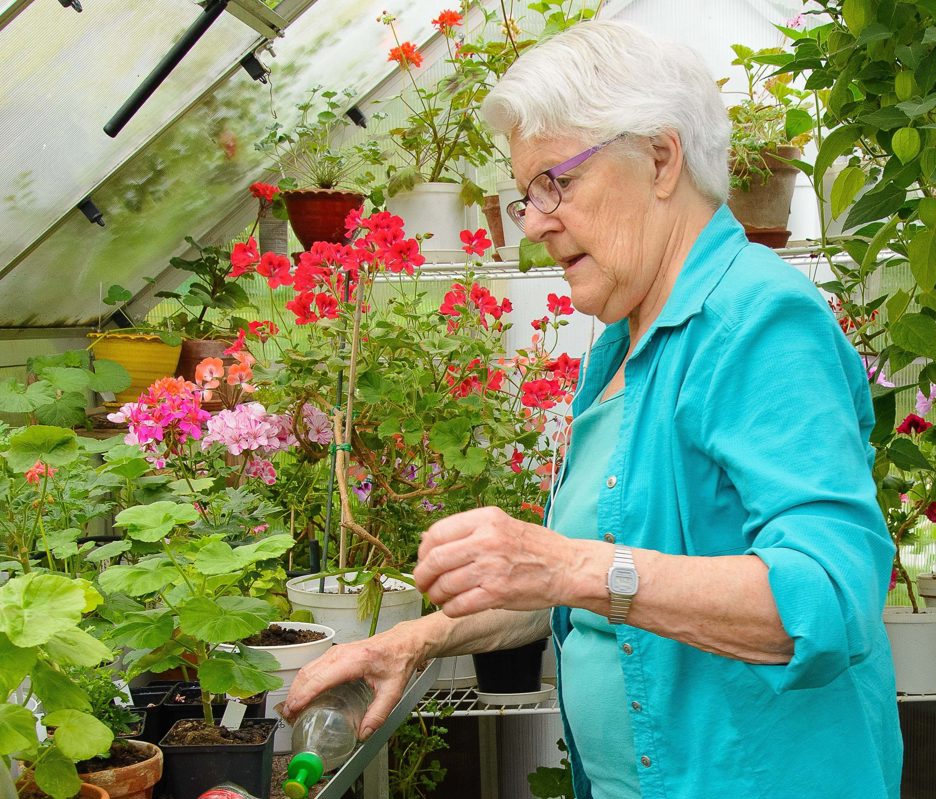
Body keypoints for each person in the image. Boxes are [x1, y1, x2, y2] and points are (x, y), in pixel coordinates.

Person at [283, 20, 902, 798]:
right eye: (525, 194)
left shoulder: (759, 322)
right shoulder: (622, 345)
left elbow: (829, 597)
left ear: (660, 158)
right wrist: (418, 640)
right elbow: (589, 590)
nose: (535, 219)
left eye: (557, 182)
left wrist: (563, 561)